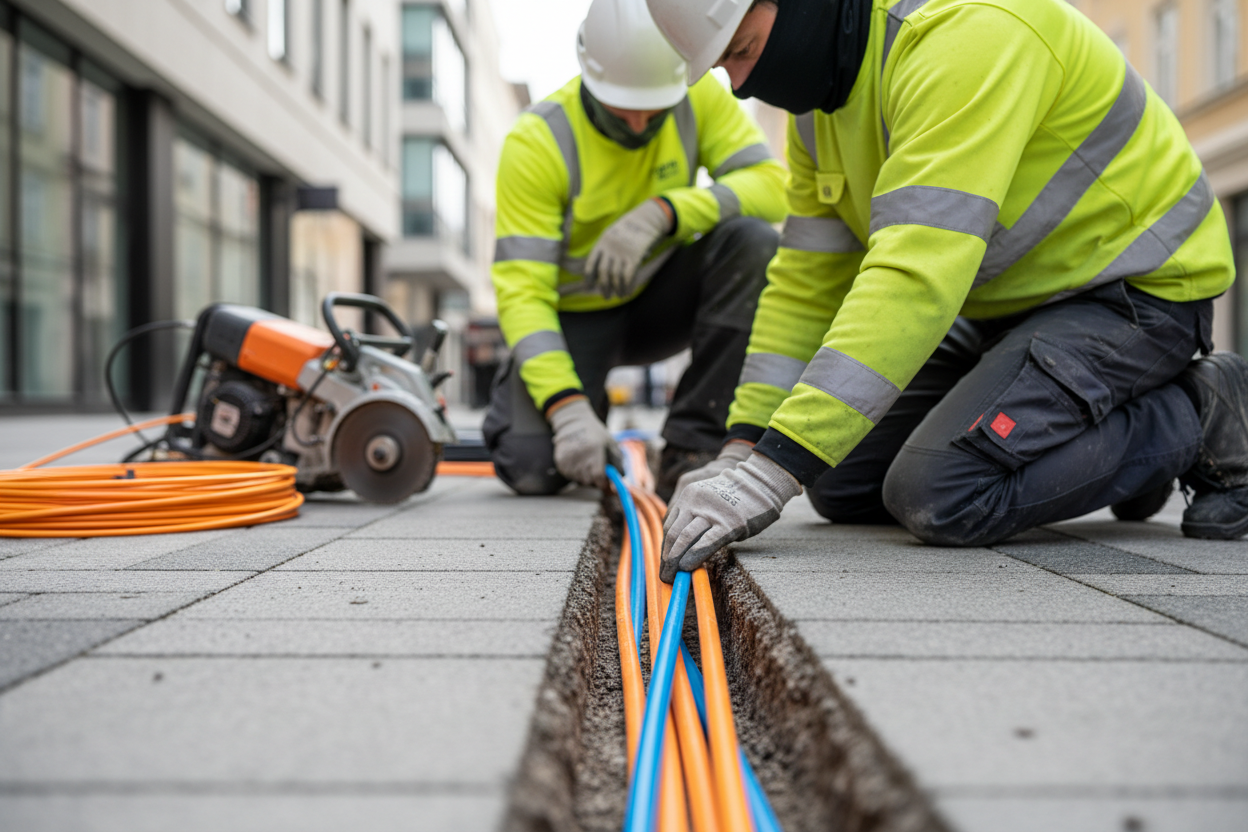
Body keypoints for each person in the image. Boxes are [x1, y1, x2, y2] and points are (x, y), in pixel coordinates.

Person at [646, 0, 1246, 582]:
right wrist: (746, 446)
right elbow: (806, 286)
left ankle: (1201, 410)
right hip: (1005, 306)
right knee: (839, 478)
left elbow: (917, 272)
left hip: (1132, 290)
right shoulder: (820, 110)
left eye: (742, 51)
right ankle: (1106, 435)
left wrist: (772, 472)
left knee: (941, 492)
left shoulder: (967, 30)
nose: (740, 85)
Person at [484, 0, 787, 499]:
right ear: (590, 73)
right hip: (573, 319)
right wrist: (567, 409)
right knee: (531, 467)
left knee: (753, 242)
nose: (643, 123)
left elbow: (773, 186)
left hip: (657, 303)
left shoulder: (695, 97)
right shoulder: (538, 142)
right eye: (626, 108)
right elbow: (522, 293)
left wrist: (666, 212)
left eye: (657, 108)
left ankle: (693, 444)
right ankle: (579, 397)